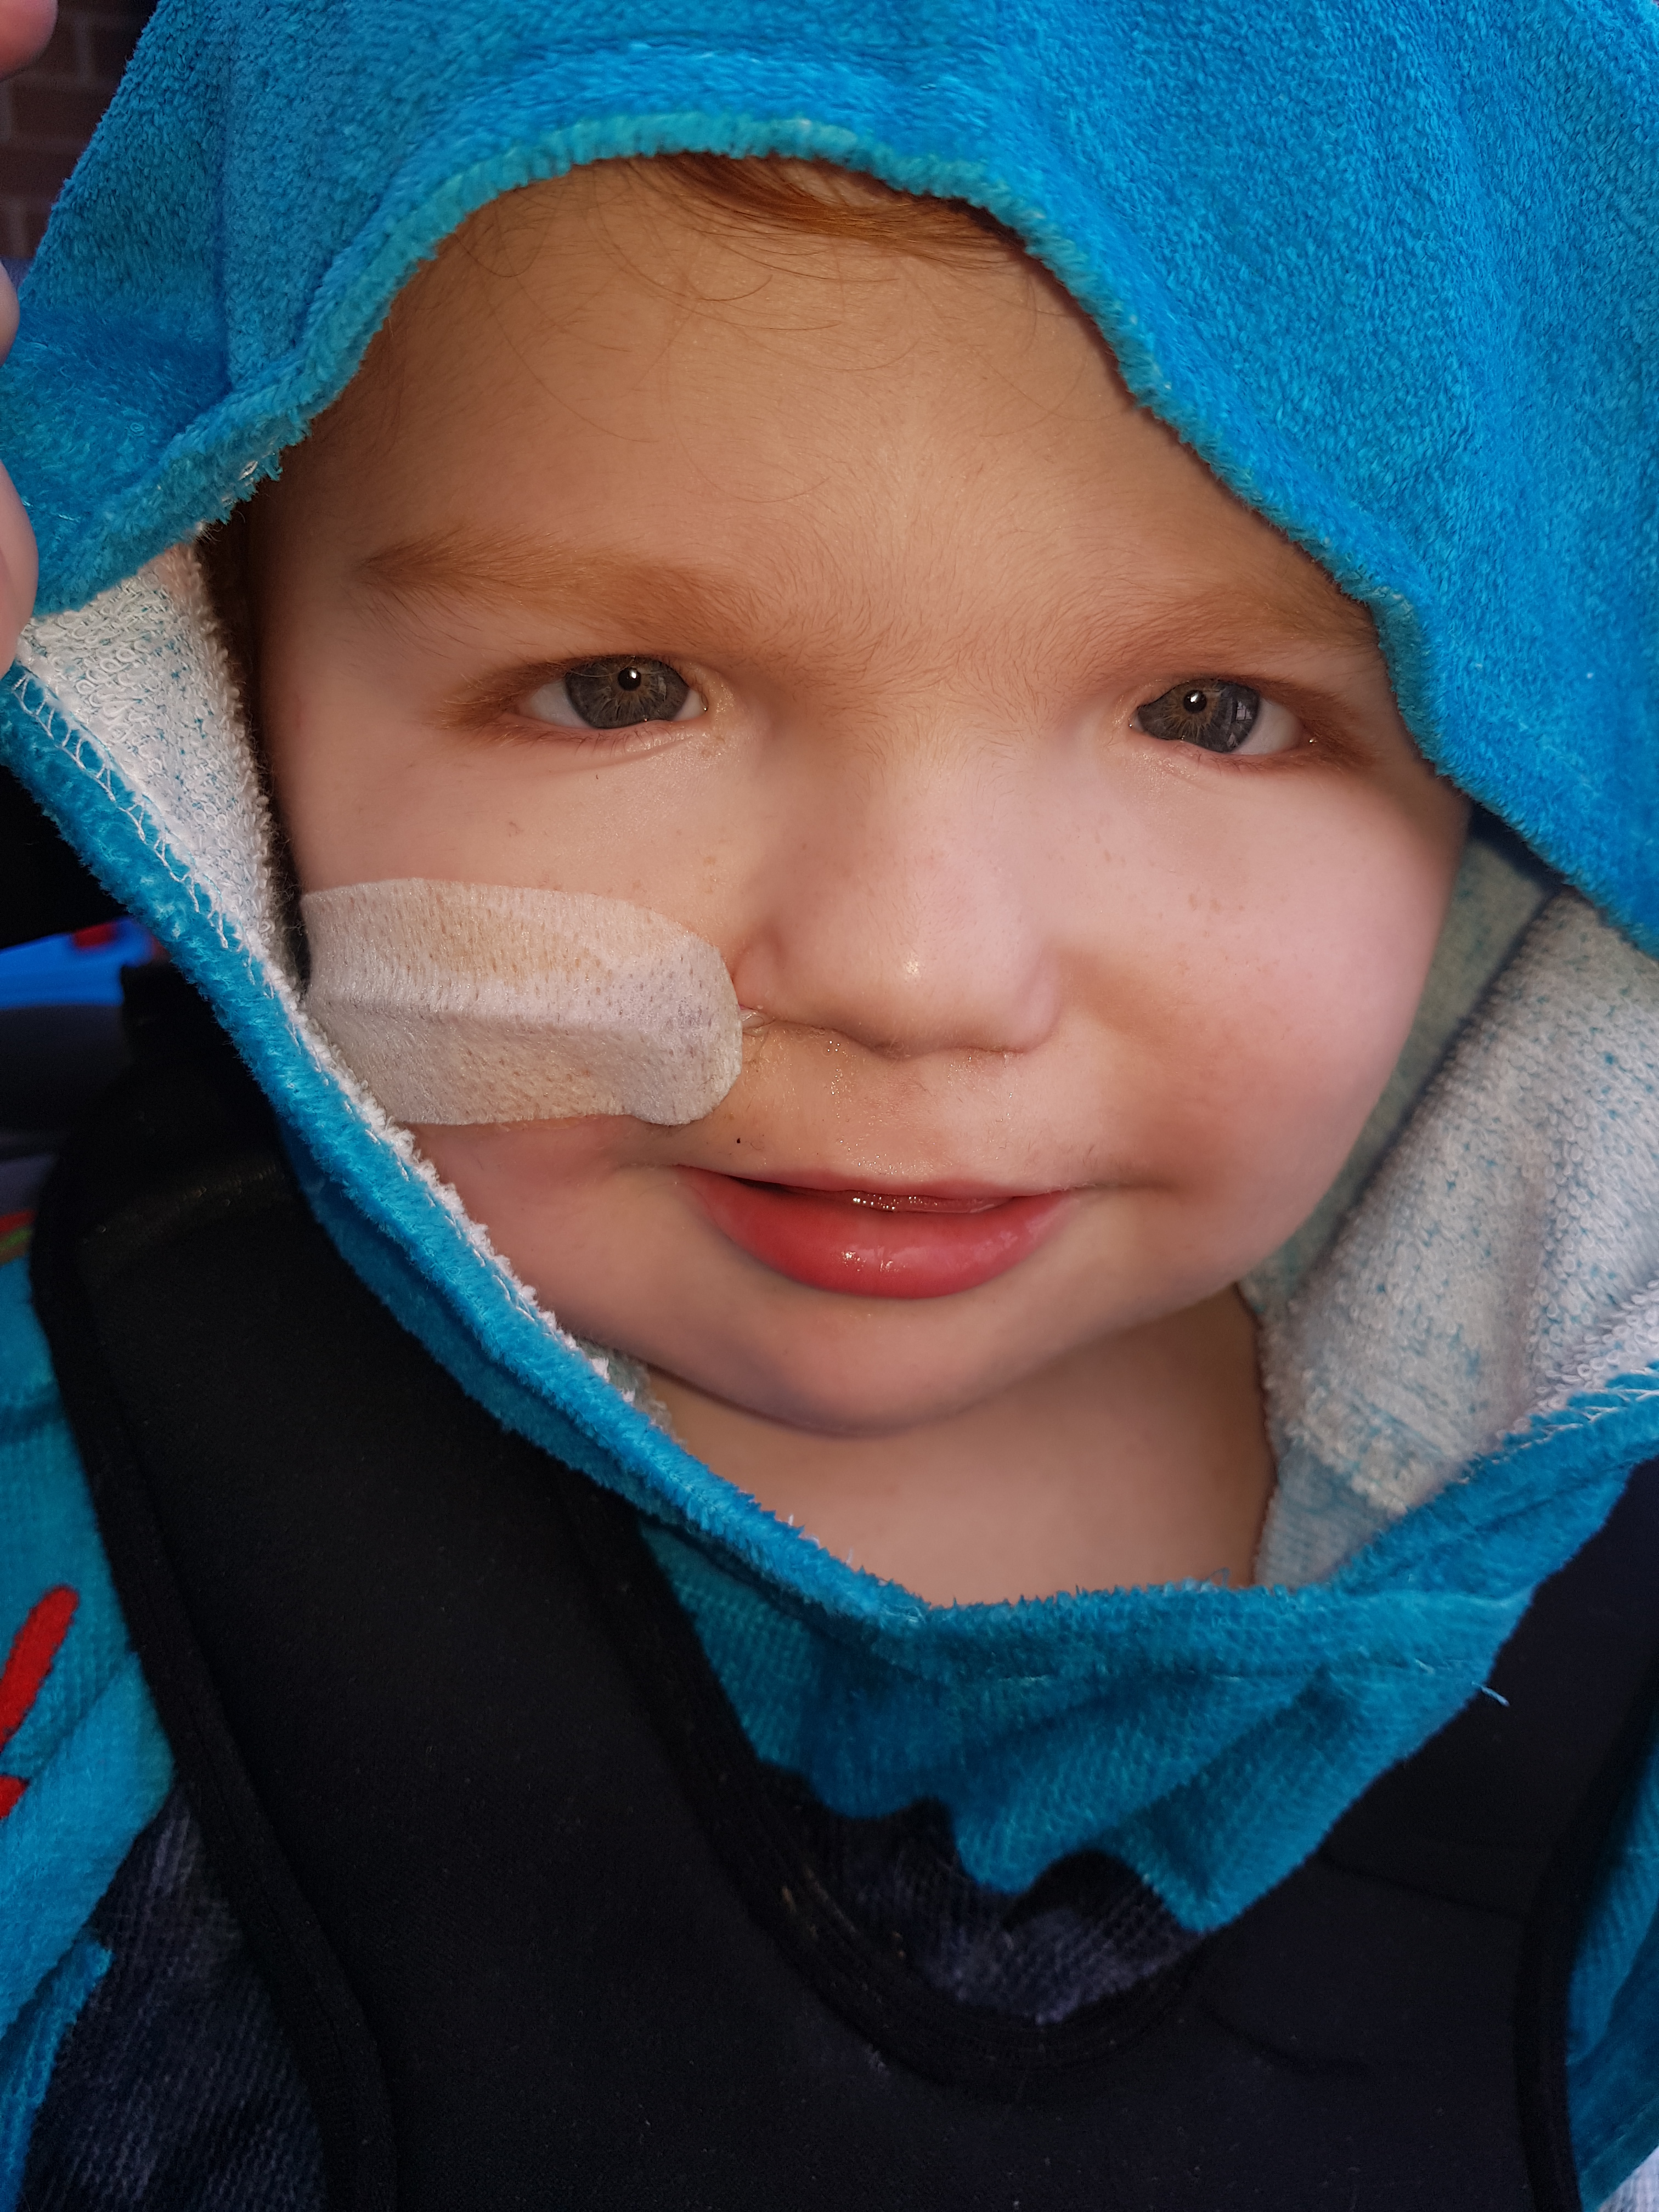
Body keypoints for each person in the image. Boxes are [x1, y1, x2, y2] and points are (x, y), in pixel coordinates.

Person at [0, 3, 1656, 2206]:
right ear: (220, 685)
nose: (916, 974)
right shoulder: (76, 1510)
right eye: (621, 689)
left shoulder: (1610, 1650)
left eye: (1211, 709)